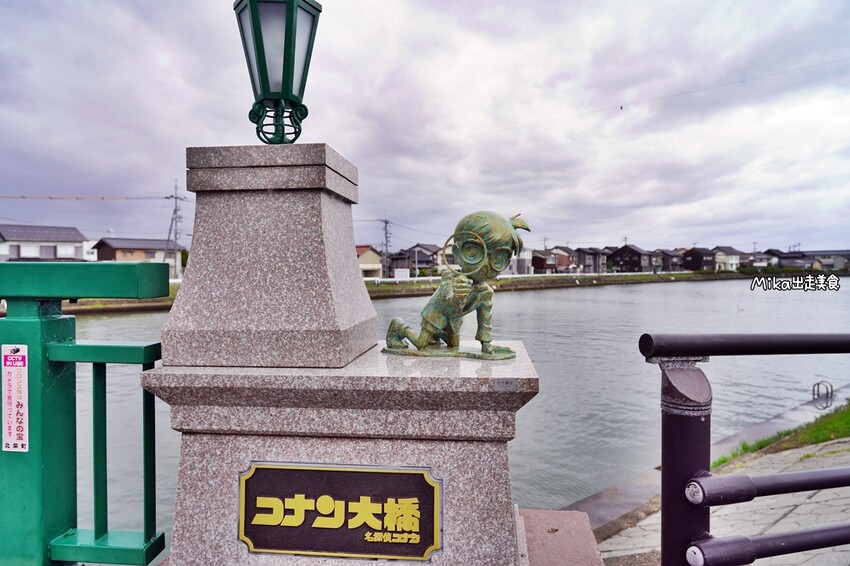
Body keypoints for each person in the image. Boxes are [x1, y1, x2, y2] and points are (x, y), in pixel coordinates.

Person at [386, 211, 530, 354]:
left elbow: (484, 319)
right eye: (473, 252)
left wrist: (486, 344)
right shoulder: (450, 276)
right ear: (457, 253)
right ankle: (399, 326)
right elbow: (448, 300)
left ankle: (435, 337)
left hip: (453, 320)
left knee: (454, 346)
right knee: (421, 344)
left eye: (498, 258)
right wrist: (458, 293)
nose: (485, 264)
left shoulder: (485, 292)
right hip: (436, 314)